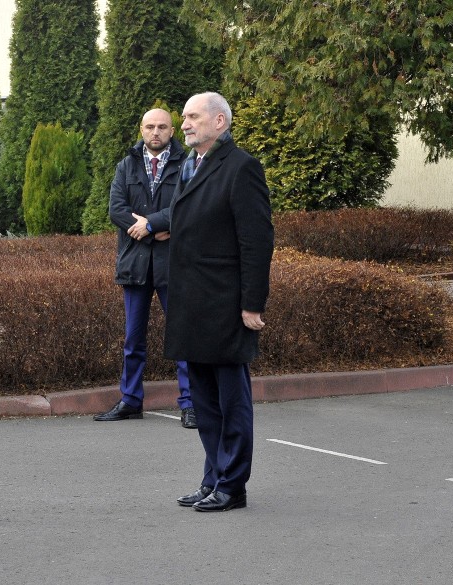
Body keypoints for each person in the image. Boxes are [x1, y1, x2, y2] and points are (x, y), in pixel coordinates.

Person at [165, 92, 274, 511]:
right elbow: (186, 219)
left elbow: (257, 240)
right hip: (192, 304)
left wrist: (252, 303)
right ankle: (212, 477)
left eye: (193, 117)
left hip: (226, 305)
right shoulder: (189, 166)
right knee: (205, 402)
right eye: (184, 118)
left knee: (231, 401)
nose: (185, 124)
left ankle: (233, 486)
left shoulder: (242, 167)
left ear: (220, 123)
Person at [93, 108, 195, 428]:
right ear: (141, 129)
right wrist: (152, 229)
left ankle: (191, 404)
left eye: (162, 127)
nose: (155, 132)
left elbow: (188, 206)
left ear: (172, 131)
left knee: (182, 335)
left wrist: (150, 224)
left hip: (173, 263)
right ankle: (130, 400)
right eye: (150, 126)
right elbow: (117, 209)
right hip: (135, 262)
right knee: (132, 338)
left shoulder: (187, 164)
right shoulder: (127, 165)